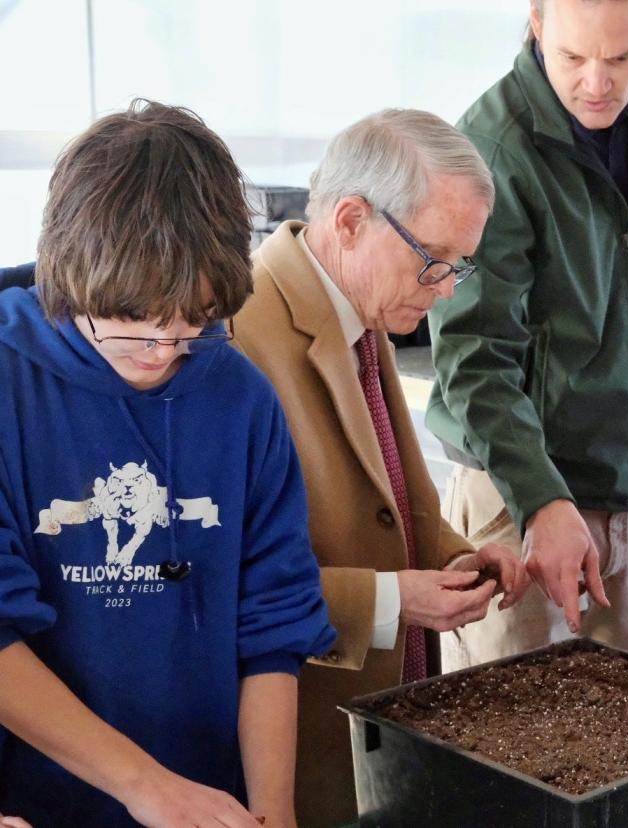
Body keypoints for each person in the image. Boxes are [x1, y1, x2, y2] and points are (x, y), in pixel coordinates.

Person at [0, 100, 335, 826]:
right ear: (73, 282)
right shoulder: (9, 383)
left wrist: (270, 813)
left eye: (192, 329)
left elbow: (272, 626)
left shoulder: (241, 396)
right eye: (133, 336)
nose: (161, 357)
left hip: (207, 800)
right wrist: (145, 786)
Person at [232, 108, 528, 826]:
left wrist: (456, 558)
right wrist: (394, 603)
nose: (447, 287)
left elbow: (387, 494)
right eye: (434, 258)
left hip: (382, 718)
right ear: (352, 219)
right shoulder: (236, 333)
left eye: (460, 263)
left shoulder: (360, 305)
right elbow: (221, 584)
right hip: (295, 743)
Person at [427, 0, 628, 670]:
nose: (597, 82)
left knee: (622, 729)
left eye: (620, 58)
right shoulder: (493, 145)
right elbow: (474, 356)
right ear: (536, 22)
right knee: (504, 737)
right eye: (573, 58)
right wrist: (541, 501)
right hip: (521, 494)